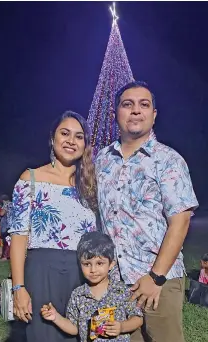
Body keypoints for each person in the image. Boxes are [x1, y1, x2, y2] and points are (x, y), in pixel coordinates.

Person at [95, 81, 199, 342]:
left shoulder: (168, 160)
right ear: (116, 113)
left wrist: (156, 277)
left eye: (144, 105)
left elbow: (181, 221)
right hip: (115, 280)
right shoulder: (102, 160)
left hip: (157, 280)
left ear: (153, 115)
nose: (135, 111)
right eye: (127, 104)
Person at [9, 111, 98, 342]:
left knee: (84, 334)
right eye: (65, 133)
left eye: (79, 137)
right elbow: (18, 237)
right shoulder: (30, 179)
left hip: (83, 273)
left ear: (85, 144)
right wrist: (19, 287)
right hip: (41, 273)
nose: (71, 141)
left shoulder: (91, 185)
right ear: (52, 138)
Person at [41, 232, 143, 342]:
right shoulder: (78, 295)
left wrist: (122, 327)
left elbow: (138, 318)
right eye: (87, 264)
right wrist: (56, 317)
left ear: (111, 264)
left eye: (99, 263)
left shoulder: (121, 290)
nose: (93, 270)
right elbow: (74, 328)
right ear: (80, 264)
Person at [0, 194, 12, 261]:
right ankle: (9, 255)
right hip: (12, 225)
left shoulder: (5, 204)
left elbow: (1, 213)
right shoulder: (12, 204)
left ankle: (5, 257)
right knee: (10, 241)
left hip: (6, 225)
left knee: (5, 241)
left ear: (3, 200)